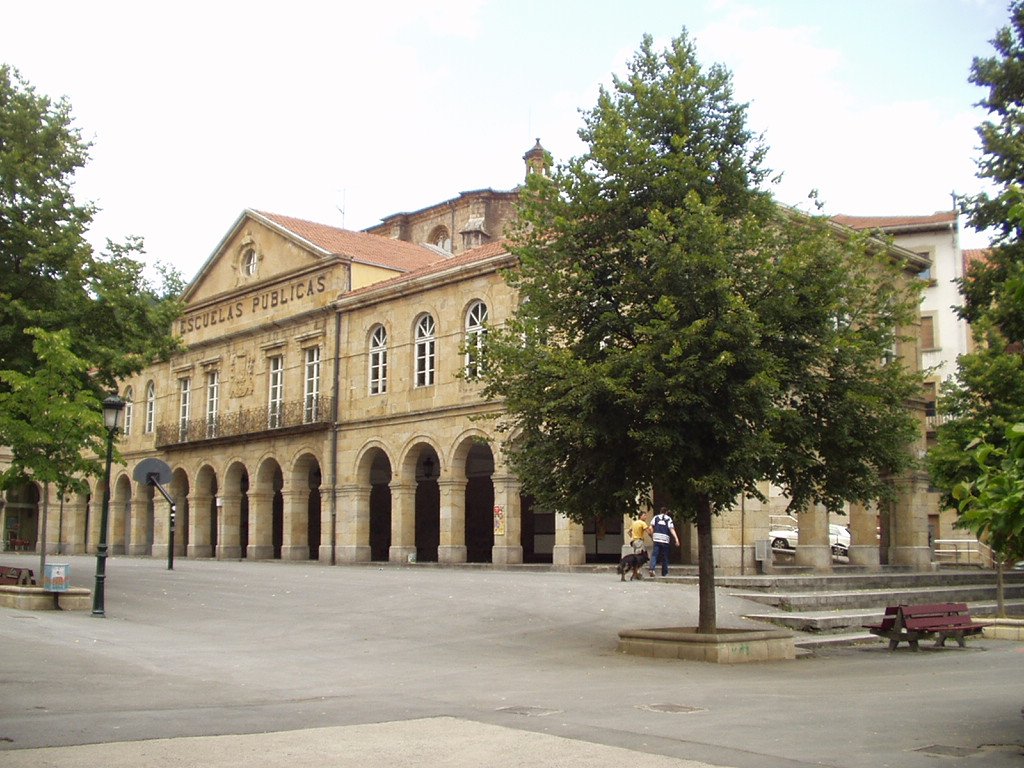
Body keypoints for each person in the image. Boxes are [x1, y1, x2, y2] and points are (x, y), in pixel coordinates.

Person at [648, 507, 680, 577]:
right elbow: (671, 529)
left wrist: (652, 536)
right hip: (665, 539)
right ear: (666, 512)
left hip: (656, 538)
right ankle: (665, 572)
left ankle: (652, 569)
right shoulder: (668, 519)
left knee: (654, 555)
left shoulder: (655, 517)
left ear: (660, 511)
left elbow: (650, 528)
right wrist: (676, 539)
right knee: (665, 556)